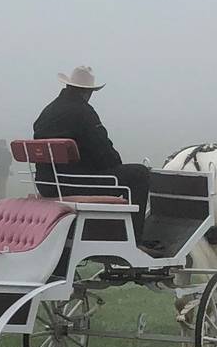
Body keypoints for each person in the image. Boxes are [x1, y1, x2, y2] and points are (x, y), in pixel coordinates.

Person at [33, 65, 149, 240]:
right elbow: (106, 157)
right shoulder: (84, 113)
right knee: (139, 174)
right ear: (87, 92)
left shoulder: (48, 111)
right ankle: (133, 239)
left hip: (46, 184)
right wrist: (115, 164)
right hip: (73, 184)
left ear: (68, 86)